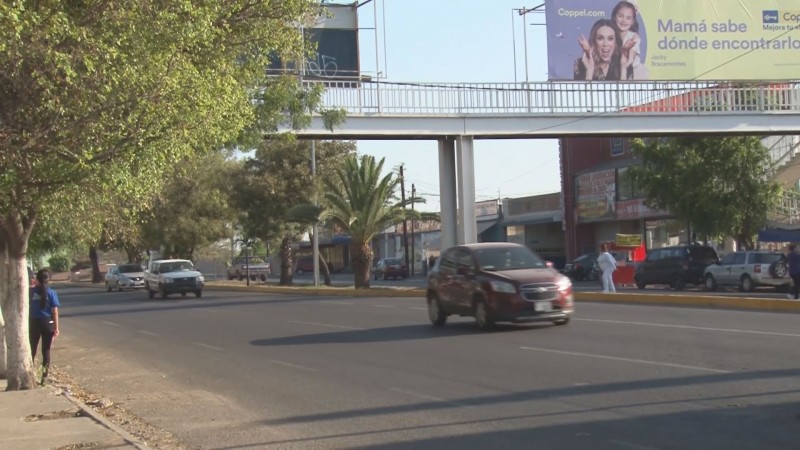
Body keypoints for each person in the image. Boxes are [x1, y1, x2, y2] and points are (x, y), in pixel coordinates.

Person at [29, 269, 60, 385]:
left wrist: (33, 284)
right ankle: (44, 377)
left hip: (34, 322)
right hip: (48, 323)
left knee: (32, 349)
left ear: (37, 279)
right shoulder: (51, 293)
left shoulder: (31, 292)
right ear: (48, 279)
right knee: (46, 351)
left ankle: (29, 373)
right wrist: (56, 328)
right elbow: (55, 312)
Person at [612, 1, 648, 80]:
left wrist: (624, 66)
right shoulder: (610, 35)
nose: (624, 20)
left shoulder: (634, 37)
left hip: (634, 71)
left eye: (628, 18)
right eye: (620, 16)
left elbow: (630, 59)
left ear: (632, 21)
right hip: (615, 70)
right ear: (615, 17)